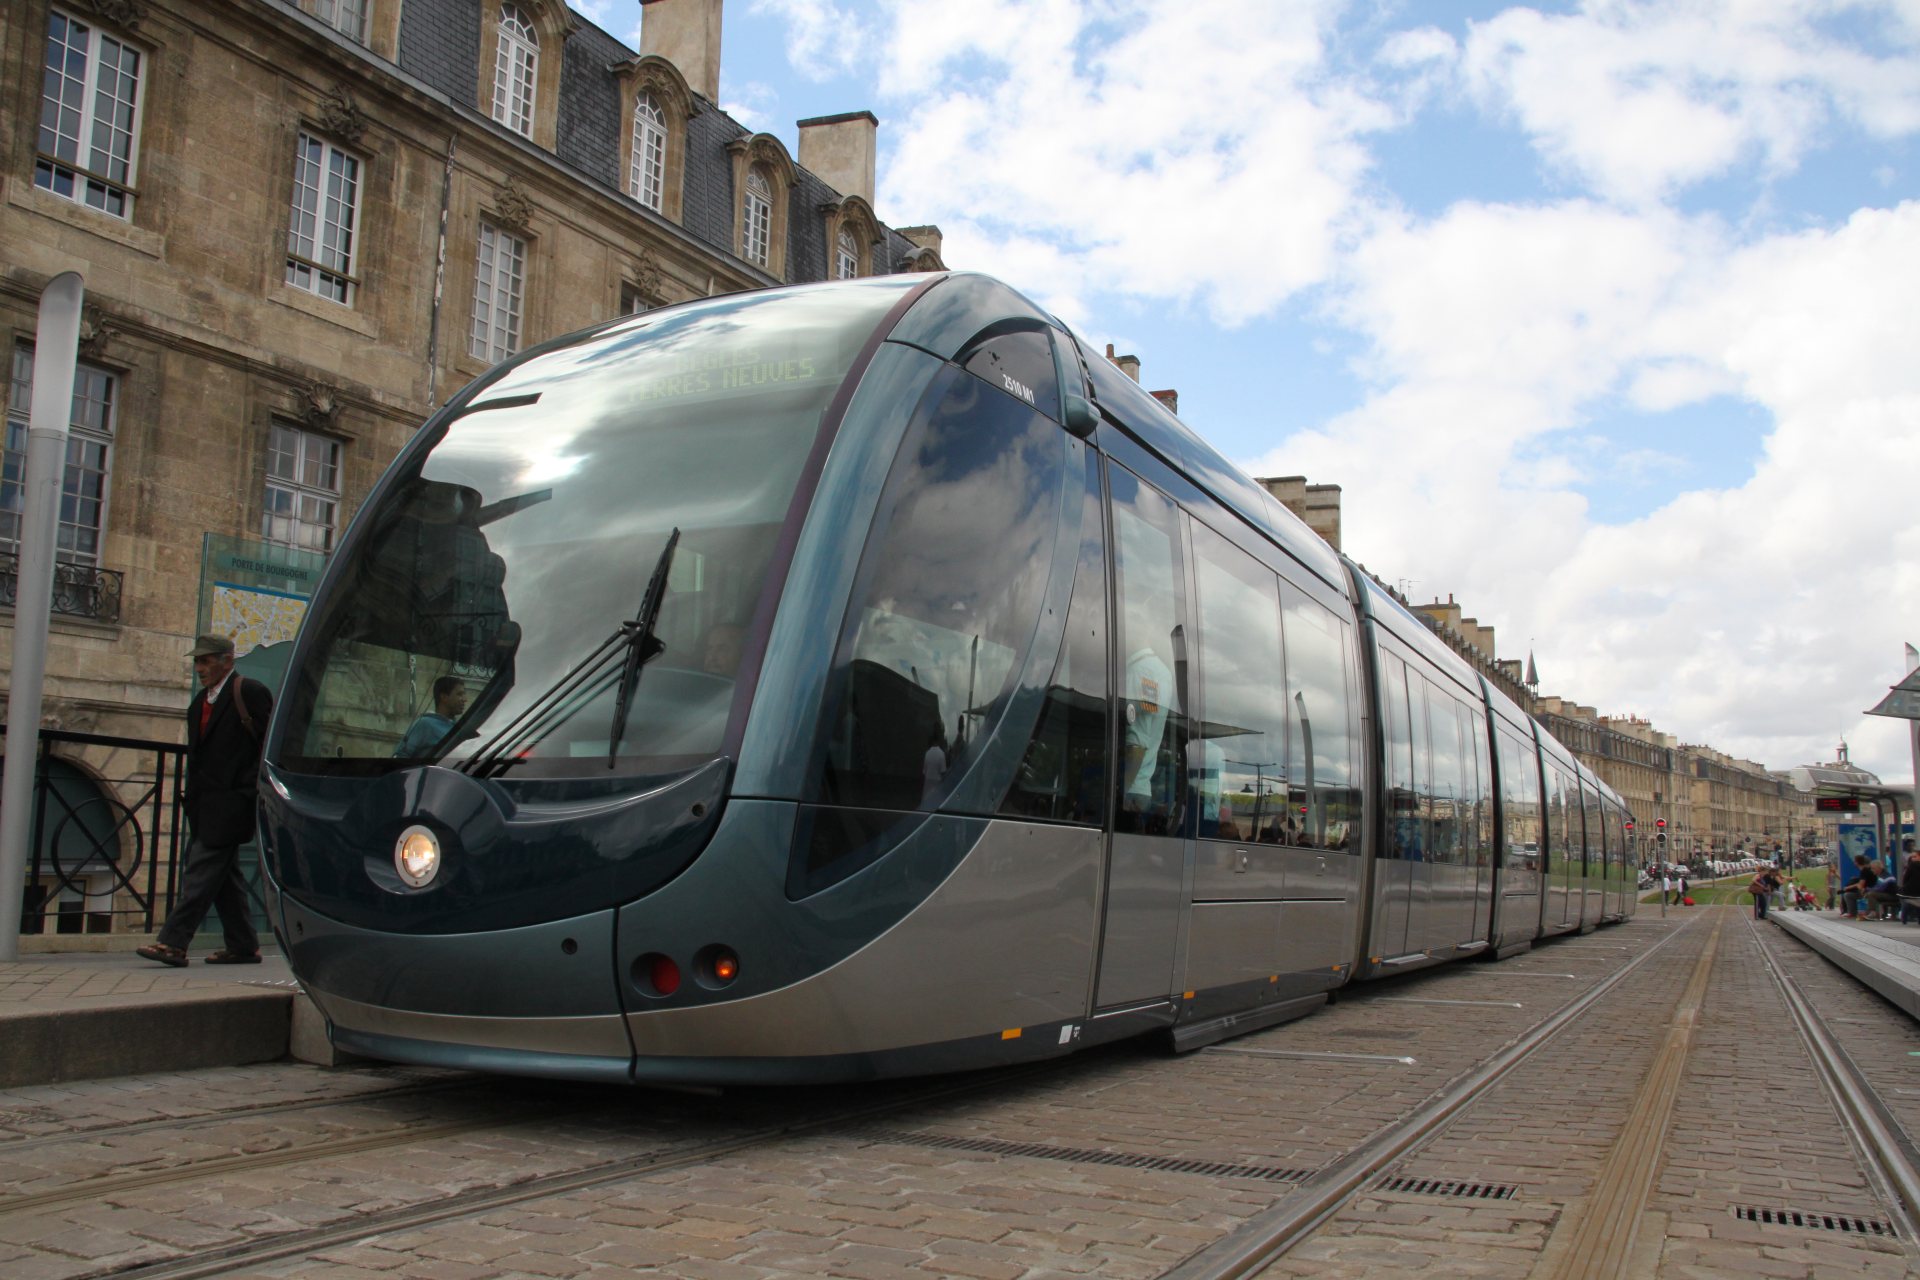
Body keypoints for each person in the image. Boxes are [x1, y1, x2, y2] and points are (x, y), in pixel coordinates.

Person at [137, 634, 273, 967]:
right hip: (204, 804)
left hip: (233, 802)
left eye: (207, 660)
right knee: (223, 877)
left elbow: (270, 742)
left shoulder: (249, 692)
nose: (200, 668)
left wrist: (249, 788)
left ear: (227, 660)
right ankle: (243, 946)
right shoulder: (199, 703)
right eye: (198, 661)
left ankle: (173, 942)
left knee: (199, 870)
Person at [394, 676, 468, 757]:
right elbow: (400, 755)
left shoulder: (458, 727)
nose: (465, 699)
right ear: (444, 697)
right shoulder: (425, 724)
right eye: (459, 694)